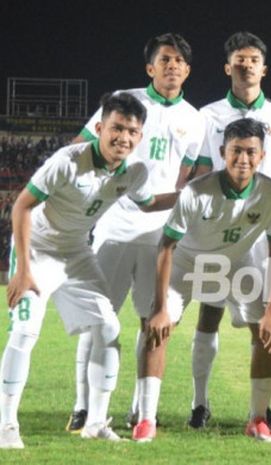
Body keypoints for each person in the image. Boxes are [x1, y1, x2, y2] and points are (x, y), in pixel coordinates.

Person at [0, 92, 176, 448]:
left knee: (108, 325)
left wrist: (189, 193)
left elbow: (150, 205)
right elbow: (22, 205)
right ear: (99, 128)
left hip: (77, 253)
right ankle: (5, 426)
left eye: (131, 131)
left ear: (139, 137)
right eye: (116, 128)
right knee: (25, 331)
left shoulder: (136, 172)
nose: (123, 137)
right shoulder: (67, 161)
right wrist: (19, 270)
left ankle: (96, 422)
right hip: (38, 251)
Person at [67, 33, 205, 432]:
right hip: (111, 228)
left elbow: (182, 181)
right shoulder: (124, 102)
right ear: (150, 67)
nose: (172, 66)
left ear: (188, 70)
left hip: (158, 236)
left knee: (153, 322)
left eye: (179, 60)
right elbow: (80, 147)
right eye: (165, 59)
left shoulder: (194, 120)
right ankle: (84, 407)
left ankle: (141, 410)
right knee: (98, 319)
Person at [131, 118, 271, 442]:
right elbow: (166, 246)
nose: (243, 159)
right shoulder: (196, 191)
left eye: (250, 152)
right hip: (188, 261)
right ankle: (146, 419)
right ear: (222, 152)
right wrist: (161, 307)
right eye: (235, 151)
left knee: (267, 329)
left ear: (262, 156)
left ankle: (258, 418)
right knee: (156, 325)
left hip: (236, 262)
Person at [188, 32, 271, 430]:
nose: (246, 65)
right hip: (216, 229)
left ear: (264, 68)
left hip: (262, 232)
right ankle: (199, 403)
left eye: (253, 59)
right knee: (208, 315)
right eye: (238, 60)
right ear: (228, 67)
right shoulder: (206, 115)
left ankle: (260, 409)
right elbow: (201, 172)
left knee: (263, 321)